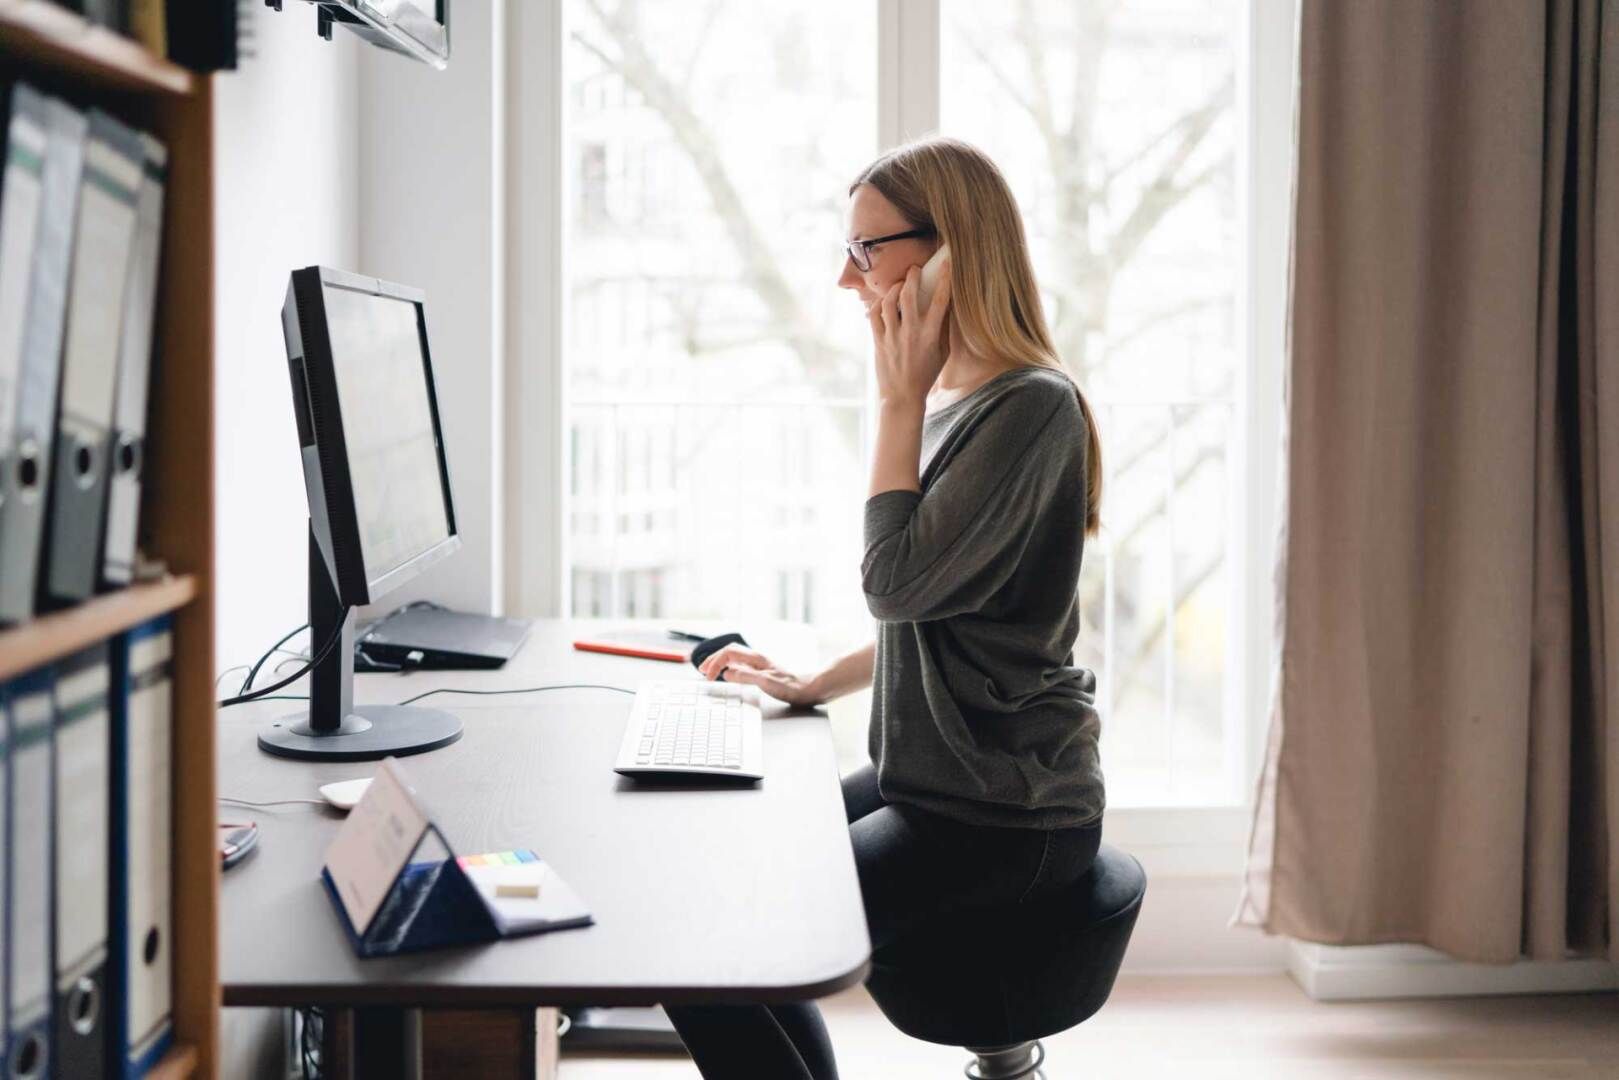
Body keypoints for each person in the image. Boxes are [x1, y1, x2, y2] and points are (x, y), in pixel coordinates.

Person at [664, 135, 1107, 1080]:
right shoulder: (965, 399)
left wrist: (894, 400)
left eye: (866, 250)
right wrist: (829, 676)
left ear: (951, 251)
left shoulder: (1028, 408)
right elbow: (953, 603)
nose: (844, 277)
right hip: (936, 778)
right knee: (724, 896)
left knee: (704, 947)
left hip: (1003, 810)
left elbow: (894, 580)